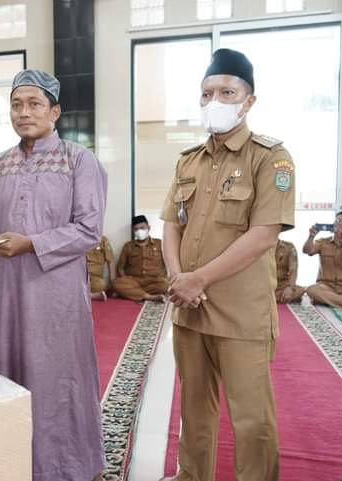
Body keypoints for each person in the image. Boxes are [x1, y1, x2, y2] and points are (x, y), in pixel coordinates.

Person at [0, 69, 107, 481]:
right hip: (7, 294)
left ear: (55, 111)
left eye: (34, 104)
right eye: (16, 105)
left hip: (57, 296)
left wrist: (31, 243)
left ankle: (66, 467)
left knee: (57, 377)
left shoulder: (78, 160)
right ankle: (17, 464)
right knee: (10, 371)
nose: (23, 112)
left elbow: (89, 229)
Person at [160, 48, 295, 481]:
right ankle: (190, 476)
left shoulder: (270, 158)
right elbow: (170, 225)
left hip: (240, 313)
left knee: (252, 420)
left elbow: (264, 234)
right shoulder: (188, 160)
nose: (214, 101)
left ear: (248, 100)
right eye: (206, 93)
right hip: (190, 310)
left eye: (226, 92)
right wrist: (178, 277)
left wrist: (197, 277)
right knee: (194, 412)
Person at [113, 215, 168, 302]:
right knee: (116, 283)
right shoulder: (128, 246)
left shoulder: (159, 243)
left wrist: (165, 277)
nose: (139, 231)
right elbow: (120, 268)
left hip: (154, 282)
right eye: (136, 229)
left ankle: (135, 293)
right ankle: (150, 297)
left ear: (148, 228)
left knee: (165, 285)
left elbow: (168, 264)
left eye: (142, 228)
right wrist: (127, 280)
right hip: (134, 281)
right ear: (133, 231)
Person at [275, 239, 305, 303]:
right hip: (265, 285)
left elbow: (293, 270)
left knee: (301, 290)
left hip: (282, 285)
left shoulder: (289, 247)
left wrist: (290, 287)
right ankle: (278, 298)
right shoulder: (260, 245)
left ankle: (272, 298)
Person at [86, 235, 114, 301]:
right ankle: (91, 296)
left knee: (101, 285)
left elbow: (111, 262)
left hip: (95, 278)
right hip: (80, 276)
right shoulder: (78, 238)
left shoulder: (103, 240)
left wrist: (112, 284)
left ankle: (86, 296)